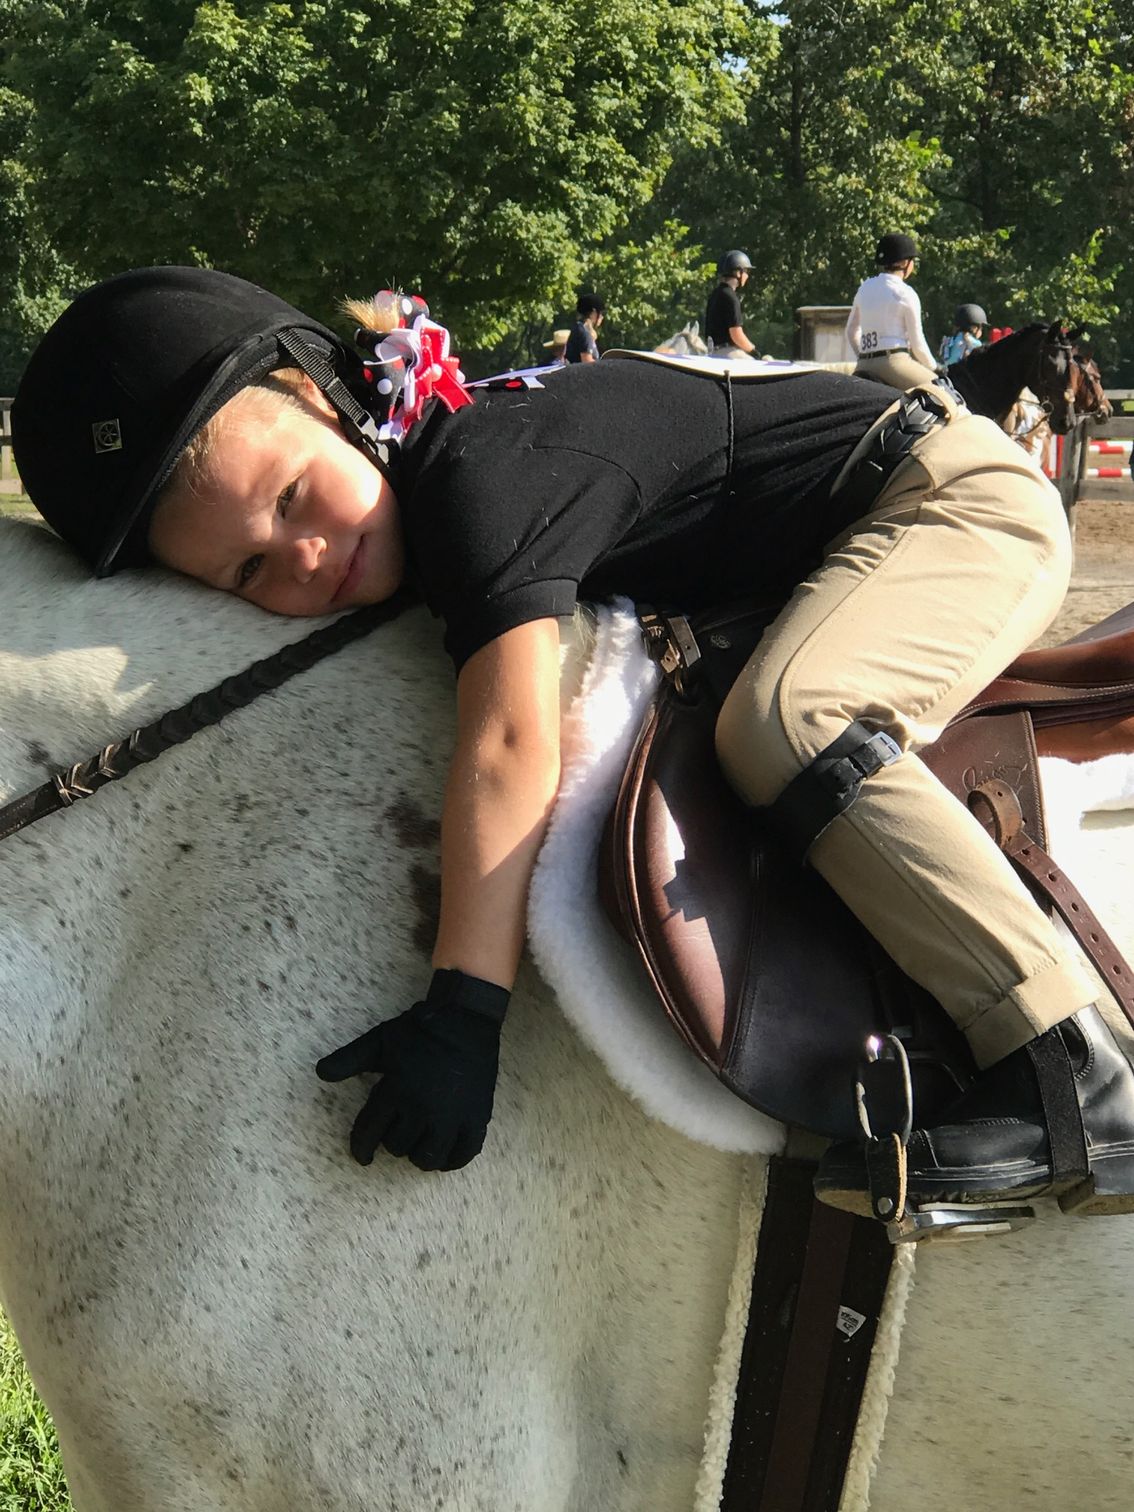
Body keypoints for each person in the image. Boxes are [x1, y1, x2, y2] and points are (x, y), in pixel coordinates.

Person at [13, 265, 1134, 1224]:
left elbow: (508, 742)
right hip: (854, 527)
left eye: (298, 496)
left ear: (328, 401)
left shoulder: (479, 478)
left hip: (951, 505)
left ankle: (1071, 1066)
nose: (305, 556)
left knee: (787, 723)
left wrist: (464, 1012)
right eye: (251, 571)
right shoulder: (437, 474)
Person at [846, 233, 938, 390]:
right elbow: (918, 344)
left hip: (862, 365)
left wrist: (863, 356)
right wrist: (936, 368)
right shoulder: (905, 293)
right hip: (894, 362)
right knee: (946, 392)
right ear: (904, 263)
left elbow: (851, 331)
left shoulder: (864, 288)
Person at [705, 250, 756, 358]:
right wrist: (753, 350)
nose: (747, 276)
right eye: (746, 271)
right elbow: (736, 334)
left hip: (711, 353)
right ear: (738, 273)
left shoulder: (715, 294)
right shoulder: (731, 297)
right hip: (728, 353)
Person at [939, 303, 988, 368]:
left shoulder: (949, 340)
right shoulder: (976, 344)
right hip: (961, 375)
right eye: (981, 328)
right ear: (975, 328)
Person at [564, 294, 604, 364]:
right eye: (600, 313)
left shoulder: (578, 328)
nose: (602, 317)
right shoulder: (585, 333)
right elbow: (587, 362)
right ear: (593, 312)